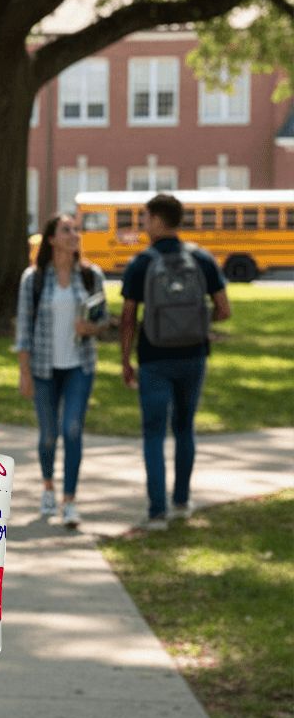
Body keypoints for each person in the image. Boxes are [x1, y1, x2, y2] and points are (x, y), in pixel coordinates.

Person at [120, 192, 230, 530]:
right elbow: (225, 310)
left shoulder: (141, 263)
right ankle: (182, 501)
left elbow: (127, 318)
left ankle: (157, 513)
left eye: (145, 219)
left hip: (154, 358)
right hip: (194, 356)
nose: (143, 225)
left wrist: (126, 360)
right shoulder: (202, 259)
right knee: (185, 428)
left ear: (156, 220)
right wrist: (196, 324)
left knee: (154, 433)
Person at [12, 212, 110, 528]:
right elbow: (24, 329)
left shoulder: (92, 276)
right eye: (66, 230)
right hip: (43, 368)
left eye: (75, 230)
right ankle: (47, 488)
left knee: (72, 429)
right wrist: (24, 372)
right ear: (52, 239)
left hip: (79, 366)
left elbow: (103, 320)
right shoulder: (34, 279)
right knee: (48, 436)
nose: (74, 235)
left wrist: (90, 328)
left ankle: (69, 501)